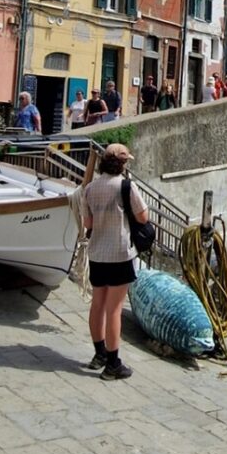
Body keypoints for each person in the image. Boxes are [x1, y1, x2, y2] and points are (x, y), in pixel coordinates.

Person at [82, 143, 149, 380]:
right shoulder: (126, 186)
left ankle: (99, 353)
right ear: (121, 164)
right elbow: (143, 216)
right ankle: (113, 363)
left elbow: (88, 224)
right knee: (114, 309)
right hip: (120, 253)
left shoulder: (90, 188)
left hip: (97, 252)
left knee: (97, 304)